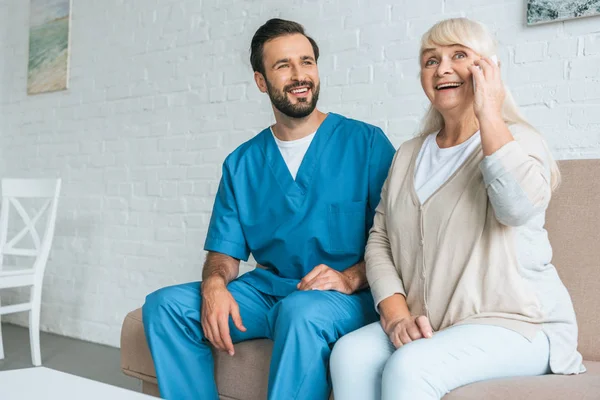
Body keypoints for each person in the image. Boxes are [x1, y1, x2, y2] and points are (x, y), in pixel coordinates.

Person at [329, 17, 585, 400]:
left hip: (519, 325)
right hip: (434, 323)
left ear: (487, 69)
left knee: (410, 366)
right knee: (349, 354)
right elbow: (380, 239)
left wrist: (489, 113)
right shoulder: (408, 155)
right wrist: (396, 314)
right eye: (430, 60)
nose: (442, 68)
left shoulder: (520, 142)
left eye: (459, 55)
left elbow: (516, 208)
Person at [141, 18, 395, 400]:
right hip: (267, 294)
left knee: (301, 311)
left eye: (307, 62)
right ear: (261, 81)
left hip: (341, 297)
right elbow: (223, 255)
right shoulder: (242, 163)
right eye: (283, 65)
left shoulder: (367, 143)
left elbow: (399, 240)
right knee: (166, 307)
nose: (299, 75)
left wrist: (350, 278)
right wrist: (213, 285)